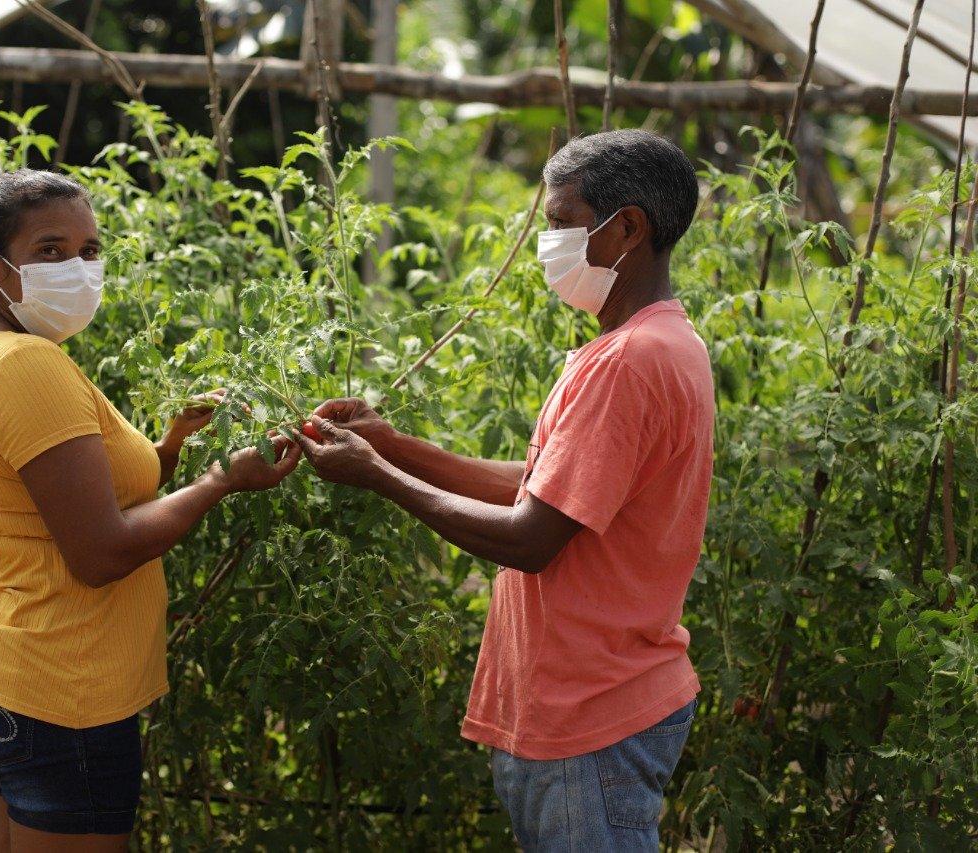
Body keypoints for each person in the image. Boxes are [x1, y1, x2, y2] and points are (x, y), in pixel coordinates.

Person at [297, 129, 712, 851]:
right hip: (589, 705)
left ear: (629, 228)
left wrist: (379, 475)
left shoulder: (630, 361)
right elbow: (547, 490)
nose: (545, 244)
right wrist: (396, 444)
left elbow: (530, 538)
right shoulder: (656, 342)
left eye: (559, 224)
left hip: (592, 714)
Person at [0, 168, 301, 852]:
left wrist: (169, 447)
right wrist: (222, 479)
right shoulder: (26, 366)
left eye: (89, 250)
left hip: (2, 672)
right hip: (61, 691)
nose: (77, 268)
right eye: (50, 250)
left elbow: (78, 499)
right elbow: (100, 551)